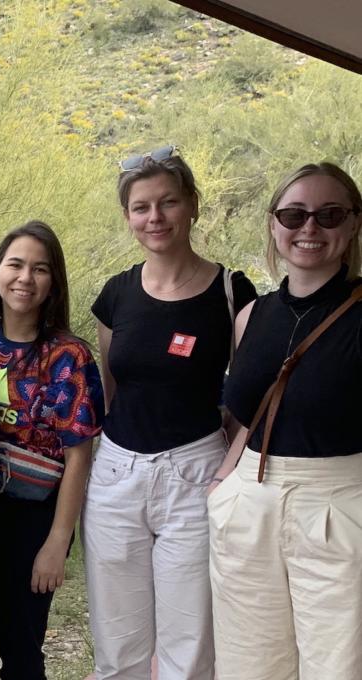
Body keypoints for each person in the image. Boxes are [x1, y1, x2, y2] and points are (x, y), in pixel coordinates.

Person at [83, 146, 257, 680]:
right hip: (117, 475)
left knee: (190, 641)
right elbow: (112, 388)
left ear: (193, 206)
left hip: (195, 474)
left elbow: (252, 397)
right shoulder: (117, 294)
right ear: (128, 217)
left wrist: (226, 468)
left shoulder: (232, 292)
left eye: (168, 203)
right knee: (118, 641)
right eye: (141, 207)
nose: (154, 218)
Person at [213, 162, 362, 679]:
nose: (309, 228)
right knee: (248, 662)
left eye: (329, 214)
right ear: (274, 225)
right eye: (294, 214)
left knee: (337, 664)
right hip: (249, 499)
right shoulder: (252, 315)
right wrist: (223, 483)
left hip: (338, 503)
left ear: (353, 225)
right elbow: (250, 412)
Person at [0, 222, 104, 680]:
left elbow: (78, 458)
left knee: (22, 653)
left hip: (34, 520)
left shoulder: (69, 357)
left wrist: (56, 544)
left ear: (53, 283)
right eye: (16, 265)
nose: (25, 278)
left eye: (39, 269)